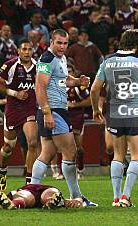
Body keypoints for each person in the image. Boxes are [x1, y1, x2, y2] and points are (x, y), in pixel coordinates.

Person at [31, 29, 97, 207]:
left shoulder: (60, 58)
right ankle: (77, 196)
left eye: (65, 43)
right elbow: (40, 86)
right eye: (58, 43)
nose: (62, 46)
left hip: (56, 109)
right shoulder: (47, 59)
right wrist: (47, 112)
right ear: (51, 42)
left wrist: (76, 81)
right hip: (53, 110)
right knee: (70, 152)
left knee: (47, 153)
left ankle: (30, 191)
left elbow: (60, 80)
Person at [90, 29, 138, 207]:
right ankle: (126, 197)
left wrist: (96, 109)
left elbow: (95, 89)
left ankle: (116, 197)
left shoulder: (107, 61)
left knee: (117, 156)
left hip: (115, 113)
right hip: (134, 112)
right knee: (136, 156)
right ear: (137, 45)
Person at [0, 38, 38, 189]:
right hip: (13, 110)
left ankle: (29, 182)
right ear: (18, 51)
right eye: (24, 49)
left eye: (29, 49)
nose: (27, 52)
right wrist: (15, 93)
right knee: (8, 147)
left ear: (33, 51)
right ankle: (3, 171)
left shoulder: (38, 67)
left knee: (32, 143)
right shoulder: (10, 65)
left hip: (30, 110)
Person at [0, 184, 83, 209]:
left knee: (26, 198)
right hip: (49, 189)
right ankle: (53, 202)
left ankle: (14, 204)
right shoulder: (15, 193)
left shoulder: (16, 192)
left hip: (29, 191)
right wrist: (76, 201)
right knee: (49, 196)